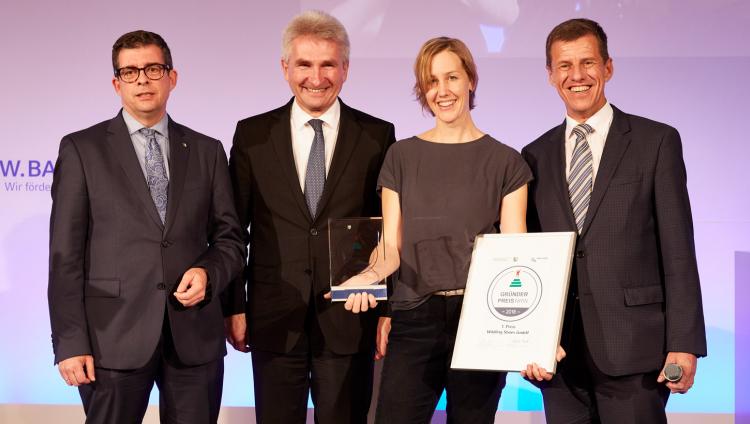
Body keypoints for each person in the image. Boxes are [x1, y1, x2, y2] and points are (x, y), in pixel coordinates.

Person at [47, 30, 245, 423]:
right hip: (111, 340)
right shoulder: (82, 149)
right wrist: (70, 342)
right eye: (131, 71)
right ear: (116, 83)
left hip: (194, 337)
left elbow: (231, 239)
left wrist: (208, 273)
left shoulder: (207, 150)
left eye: (153, 69)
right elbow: (65, 256)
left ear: (172, 77)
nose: (143, 79)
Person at [521, 18, 707, 423]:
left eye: (587, 62)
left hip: (637, 350)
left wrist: (685, 343)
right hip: (561, 357)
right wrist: (527, 341)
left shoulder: (655, 141)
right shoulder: (533, 155)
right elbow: (529, 256)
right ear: (551, 75)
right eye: (564, 66)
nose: (577, 76)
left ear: (608, 67)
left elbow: (678, 250)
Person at [345, 36, 532, 423]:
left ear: (470, 81)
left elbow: (517, 258)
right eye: (431, 82)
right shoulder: (401, 156)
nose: (442, 91)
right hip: (415, 317)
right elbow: (390, 248)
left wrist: (532, 333)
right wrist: (368, 275)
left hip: (481, 321)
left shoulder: (507, 163)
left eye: (451, 77)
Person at [222, 10, 396, 424]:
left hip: (351, 318)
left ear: (345, 69)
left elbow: (389, 229)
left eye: (327, 65)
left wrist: (387, 309)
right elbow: (232, 229)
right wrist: (234, 305)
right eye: (304, 64)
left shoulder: (378, 135)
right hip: (273, 317)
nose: (316, 77)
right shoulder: (252, 135)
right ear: (285, 68)